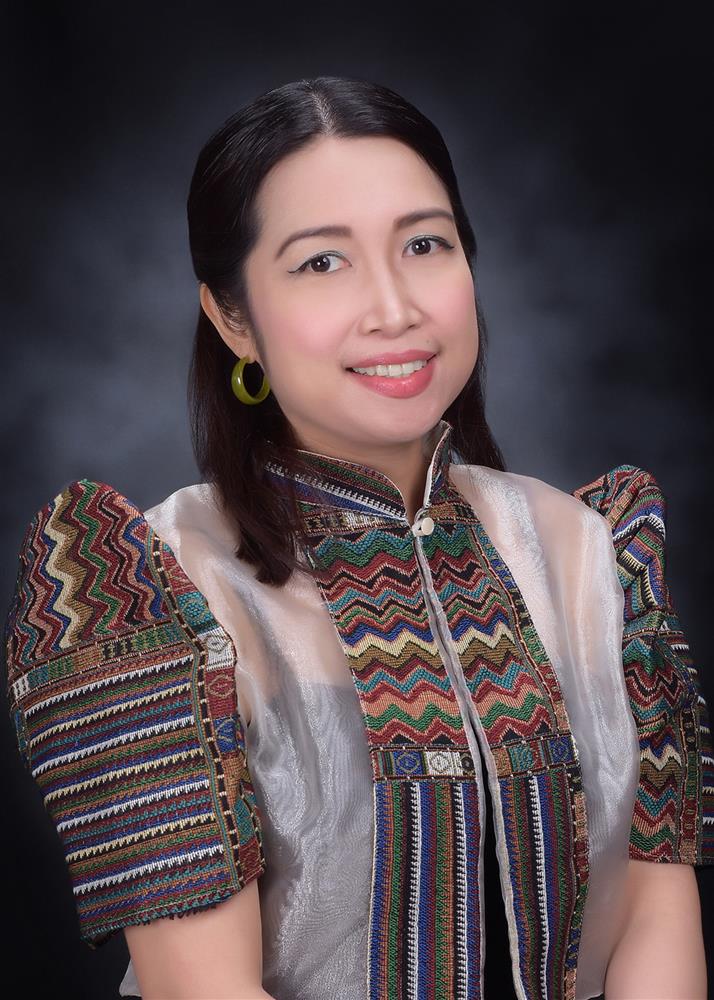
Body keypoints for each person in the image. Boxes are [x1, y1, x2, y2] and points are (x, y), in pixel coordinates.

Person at [4, 76, 712, 1000]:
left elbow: (657, 914)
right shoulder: (153, 586)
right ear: (231, 317)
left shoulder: (591, 548)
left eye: (424, 244)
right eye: (321, 263)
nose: (394, 307)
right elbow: (201, 988)